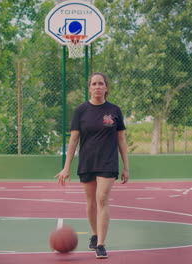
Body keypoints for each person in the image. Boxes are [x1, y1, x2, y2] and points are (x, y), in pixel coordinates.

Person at [55, 72, 130, 259]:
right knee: (90, 203)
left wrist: (126, 166)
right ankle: (95, 233)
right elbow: (73, 141)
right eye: (94, 84)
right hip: (87, 160)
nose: (97, 87)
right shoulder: (81, 110)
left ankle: (101, 244)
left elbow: (121, 139)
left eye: (101, 83)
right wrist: (66, 167)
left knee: (102, 198)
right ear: (89, 88)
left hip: (108, 161)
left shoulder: (114, 110)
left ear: (106, 87)